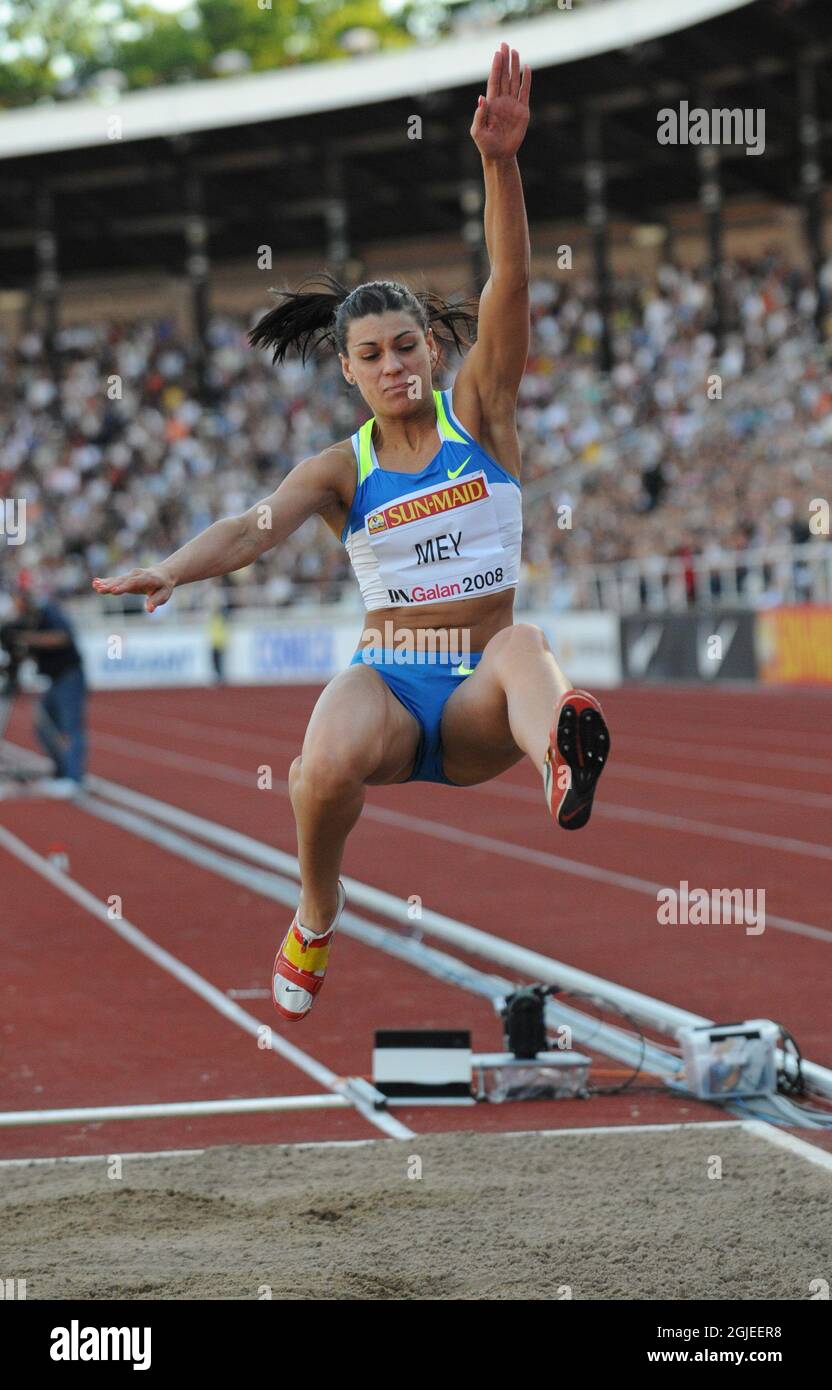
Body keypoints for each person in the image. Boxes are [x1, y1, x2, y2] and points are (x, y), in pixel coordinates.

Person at [92, 43, 611, 1022]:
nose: (394, 365)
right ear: (349, 371)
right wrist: (172, 567)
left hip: (475, 702)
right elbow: (256, 528)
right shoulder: (342, 466)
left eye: (408, 345)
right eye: (371, 355)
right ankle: (317, 911)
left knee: (524, 642)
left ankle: (563, 758)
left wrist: (500, 164)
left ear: (432, 346)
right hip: (391, 681)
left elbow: (509, 280)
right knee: (318, 758)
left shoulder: (482, 415)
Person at [1, 585, 88, 795]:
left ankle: (74, 779)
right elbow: (27, 652)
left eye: (17, 601)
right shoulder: (24, 622)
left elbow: (60, 637)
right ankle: (61, 772)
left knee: (71, 728)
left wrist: (23, 638)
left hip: (69, 676)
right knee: (44, 728)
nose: (16, 607)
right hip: (52, 679)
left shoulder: (48, 613)